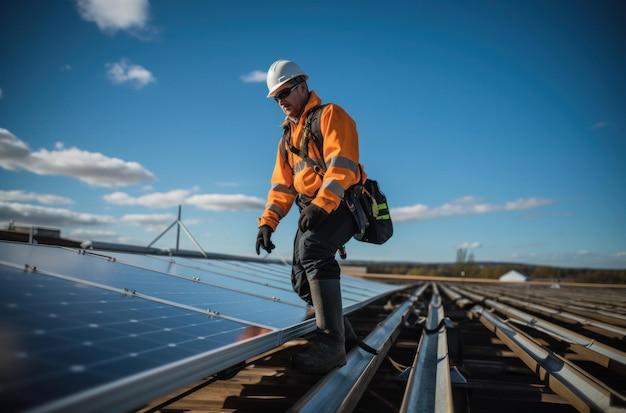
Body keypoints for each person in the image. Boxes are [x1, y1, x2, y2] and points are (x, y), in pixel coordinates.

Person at [255, 59, 366, 374]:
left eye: (286, 92)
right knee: (301, 281)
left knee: (314, 249)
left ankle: (331, 345)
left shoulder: (330, 116)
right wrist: (268, 222)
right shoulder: (287, 137)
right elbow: (282, 187)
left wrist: (323, 202)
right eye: (277, 97)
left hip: (343, 203)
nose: (282, 101)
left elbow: (342, 164)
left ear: (302, 86)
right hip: (313, 208)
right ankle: (345, 337)